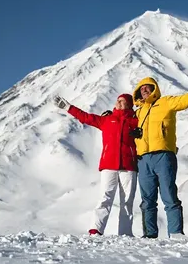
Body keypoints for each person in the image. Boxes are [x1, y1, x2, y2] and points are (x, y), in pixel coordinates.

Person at [130, 75, 188, 239]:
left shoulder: (166, 102)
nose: (144, 89)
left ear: (154, 89)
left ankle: (175, 234)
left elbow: (187, 100)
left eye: (148, 87)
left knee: (169, 196)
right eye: (141, 88)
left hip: (164, 155)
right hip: (143, 159)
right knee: (147, 200)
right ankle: (149, 235)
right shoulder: (137, 113)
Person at [54, 93, 138, 236]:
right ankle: (96, 230)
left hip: (128, 166)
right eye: (117, 101)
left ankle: (125, 233)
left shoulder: (135, 121)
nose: (118, 103)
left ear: (129, 104)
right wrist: (68, 107)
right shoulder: (107, 119)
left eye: (122, 101)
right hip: (109, 164)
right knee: (105, 197)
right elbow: (86, 117)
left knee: (127, 201)